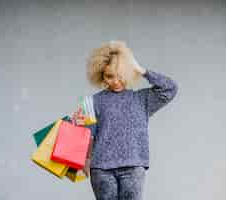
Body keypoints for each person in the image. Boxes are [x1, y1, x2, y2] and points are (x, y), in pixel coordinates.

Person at [72, 40, 178, 200]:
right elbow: (88, 136)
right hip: (101, 169)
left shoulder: (142, 99)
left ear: (128, 72)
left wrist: (141, 70)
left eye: (120, 75)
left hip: (133, 168)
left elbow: (170, 88)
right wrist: (77, 128)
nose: (115, 81)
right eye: (109, 76)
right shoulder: (93, 101)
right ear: (101, 74)